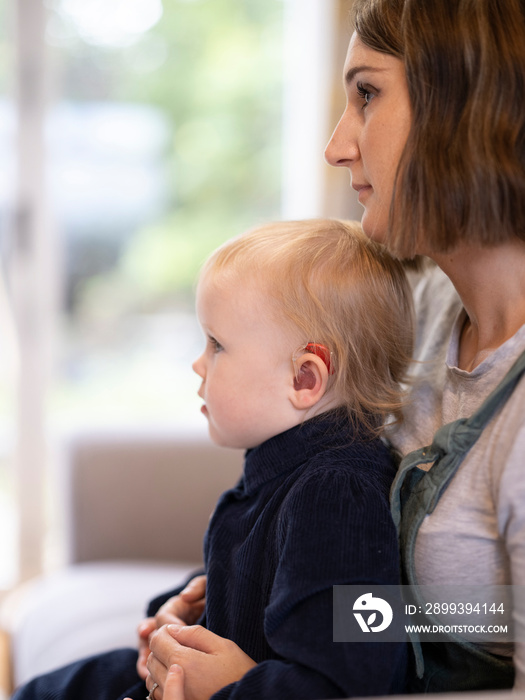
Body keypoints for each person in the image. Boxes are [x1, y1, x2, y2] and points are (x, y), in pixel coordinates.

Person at [135, 0, 525, 695]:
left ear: (465, 100)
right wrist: (260, 594)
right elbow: (473, 614)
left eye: (366, 94)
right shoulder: (427, 310)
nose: (336, 144)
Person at [12, 218, 413, 700]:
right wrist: (178, 609)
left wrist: (235, 687)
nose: (198, 364)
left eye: (217, 344)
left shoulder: (337, 498)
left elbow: (348, 677)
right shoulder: (288, 470)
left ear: (305, 380)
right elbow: (249, 585)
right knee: (55, 688)